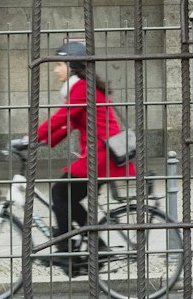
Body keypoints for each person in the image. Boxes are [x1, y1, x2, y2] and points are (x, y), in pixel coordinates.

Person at [34, 40, 133, 271]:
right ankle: (95, 247)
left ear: (72, 65)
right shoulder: (82, 88)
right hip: (100, 156)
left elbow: (61, 117)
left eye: (59, 64)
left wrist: (32, 137)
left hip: (101, 156)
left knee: (60, 192)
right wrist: (44, 142)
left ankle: (66, 250)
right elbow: (69, 123)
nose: (56, 69)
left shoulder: (81, 88)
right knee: (67, 196)